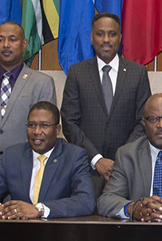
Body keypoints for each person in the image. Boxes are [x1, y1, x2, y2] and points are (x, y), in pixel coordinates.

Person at [61, 13, 151, 196]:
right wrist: (97, 159)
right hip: (86, 170)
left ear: (120, 37)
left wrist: (121, 159)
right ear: (91, 37)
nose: (106, 40)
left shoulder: (138, 72)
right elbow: (69, 122)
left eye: (112, 34)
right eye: (100, 34)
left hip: (128, 170)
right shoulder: (77, 72)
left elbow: (144, 122)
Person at [0, 101, 94, 219]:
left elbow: (85, 201)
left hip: (57, 232)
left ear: (57, 129)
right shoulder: (13, 156)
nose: (37, 131)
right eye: (32, 125)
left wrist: (40, 209)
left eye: (44, 125)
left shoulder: (74, 156)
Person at [0, 22, 55, 182]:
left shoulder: (42, 83)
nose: (6, 45)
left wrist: (16, 170)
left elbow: (45, 135)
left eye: (12, 39)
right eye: (0, 40)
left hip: (25, 178)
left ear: (24, 43)